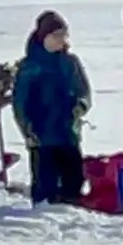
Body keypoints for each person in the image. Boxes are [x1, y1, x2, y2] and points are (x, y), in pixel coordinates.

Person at [12, 11, 92, 207]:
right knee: (45, 182)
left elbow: (84, 91)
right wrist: (28, 129)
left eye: (64, 36)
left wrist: (80, 106)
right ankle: (44, 211)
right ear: (44, 37)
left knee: (73, 179)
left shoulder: (70, 63)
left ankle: (71, 208)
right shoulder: (29, 67)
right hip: (42, 135)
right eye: (56, 36)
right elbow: (20, 102)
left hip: (68, 132)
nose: (61, 40)